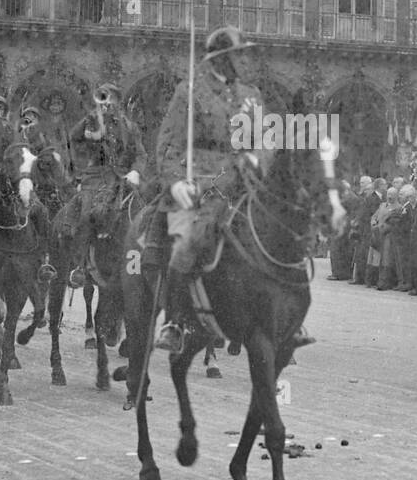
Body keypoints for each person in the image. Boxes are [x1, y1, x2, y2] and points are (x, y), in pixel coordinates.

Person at [152, 26, 310, 354]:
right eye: (239, 54)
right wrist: (176, 181)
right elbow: (169, 142)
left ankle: (288, 318)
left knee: (282, 230)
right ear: (220, 59)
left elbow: (267, 139)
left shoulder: (251, 95)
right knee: (188, 240)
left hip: (245, 182)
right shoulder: (190, 92)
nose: (245, 60)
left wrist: (257, 157)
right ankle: (175, 320)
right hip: (203, 182)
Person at [63, 84, 145, 289]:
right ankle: (80, 266)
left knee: (141, 213)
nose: (107, 102)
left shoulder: (129, 127)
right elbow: (74, 138)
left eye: (111, 98)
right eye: (103, 98)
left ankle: (139, 266)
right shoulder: (91, 122)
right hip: (96, 177)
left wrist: (135, 171)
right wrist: (91, 117)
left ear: (118, 101)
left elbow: (140, 154)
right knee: (86, 215)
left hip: (123, 178)